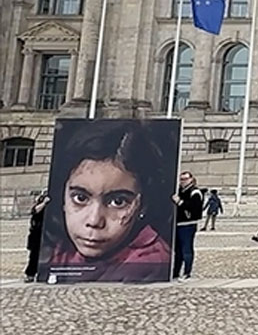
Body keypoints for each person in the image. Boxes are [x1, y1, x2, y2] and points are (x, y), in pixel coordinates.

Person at [43, 120, 173, 283]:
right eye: (81, 198)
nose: (94, 221)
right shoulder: (60, 250)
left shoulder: (147, 264)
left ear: (142, 206)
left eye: (118, 201)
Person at [172, 171, 203, 280]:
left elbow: (194, 208)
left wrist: (180, 202)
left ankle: (187, 272)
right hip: (178, 223)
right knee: (178, 250)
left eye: (185, 179)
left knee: (186, 249)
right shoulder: (180, 191)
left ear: (191, 179)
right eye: (181, 179)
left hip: (188, 224)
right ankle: (176, 272)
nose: (183, 182)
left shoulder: (195, 192)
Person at [24, 192, 50, 283]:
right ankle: (30, 274)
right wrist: (44, 203)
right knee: (34, 256)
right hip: (37, 235)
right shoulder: (40, 205)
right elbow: (34, 211)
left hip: (48, 234)